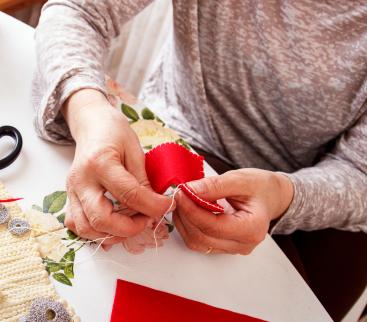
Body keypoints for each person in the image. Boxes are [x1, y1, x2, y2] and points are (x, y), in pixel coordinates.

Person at [31, 1, 367, 320]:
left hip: (308, 207)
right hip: (166, 137)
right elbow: (78, 10)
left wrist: (285, 195)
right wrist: (86, 108)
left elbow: (359, 171)